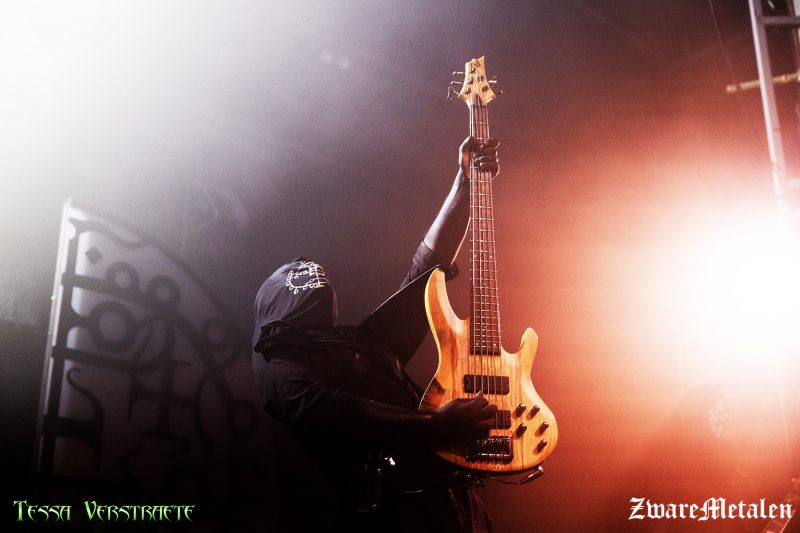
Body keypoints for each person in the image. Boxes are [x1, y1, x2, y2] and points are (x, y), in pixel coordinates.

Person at [251, 136, 501, 532]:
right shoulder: (277, 367)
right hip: (391, 518)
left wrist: (464, 184)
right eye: (297, 278)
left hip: (456, 506)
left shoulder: (360, 345)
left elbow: (425, 273)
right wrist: (435, 425)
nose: (312, 275)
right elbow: (342, 412)